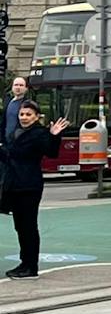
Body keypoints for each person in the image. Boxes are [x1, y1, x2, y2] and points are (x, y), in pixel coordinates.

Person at [1, 101, 69, 279]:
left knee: (29, 227)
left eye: (28, 115)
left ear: (37, 116)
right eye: (22, 114)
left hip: (29, 185)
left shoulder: (39, 134)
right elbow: (8, 154)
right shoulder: (15, 132)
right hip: (13, 183)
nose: (24, 118)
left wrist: (54, 135)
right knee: (20, 227)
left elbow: (51, 152)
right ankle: (25, 263)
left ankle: (31, 266)